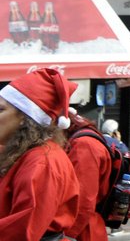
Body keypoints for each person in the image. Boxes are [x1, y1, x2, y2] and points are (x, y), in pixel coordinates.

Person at [0, 67, 80, 240]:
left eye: (0, 109)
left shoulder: (42, 162)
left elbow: (22, 228)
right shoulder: (23, 152)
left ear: (24, 118)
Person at [65, 111, 114, 241]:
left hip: (84, 231)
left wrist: (67, 236)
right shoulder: (82, 140)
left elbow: (83, 200)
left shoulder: (84, 146)